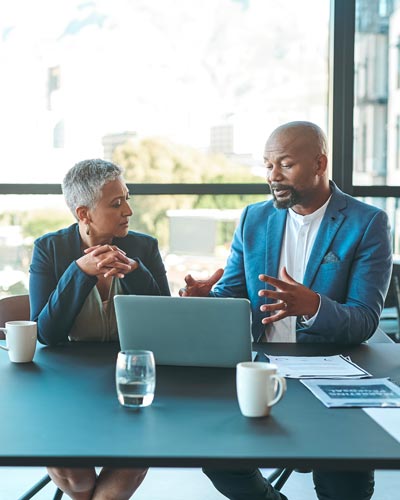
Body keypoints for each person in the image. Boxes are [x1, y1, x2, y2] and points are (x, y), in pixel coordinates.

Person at [180, 121, 392, 500]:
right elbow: (233, 296)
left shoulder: (367, 223)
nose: (272, 175)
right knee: (216, 456)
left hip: (334, 371)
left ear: (319, 163)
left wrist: (313, 306)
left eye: (285, 164)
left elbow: (364, 319)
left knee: (346, 484)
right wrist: (204, 303)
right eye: (267, 165)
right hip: (263, 368)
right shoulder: (253, 219)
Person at [30, 159, 170, 500]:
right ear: (84, 213)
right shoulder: (49, 249)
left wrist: (136, 271)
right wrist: (79, 272)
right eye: (116, 203)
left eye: (127, 197)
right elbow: (46, 333)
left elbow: (166, 322)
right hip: (63, 384)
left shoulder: (144, 248)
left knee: (125, 472)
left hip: (129, 381)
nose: (129, 210)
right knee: (75, 478)